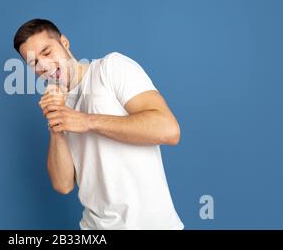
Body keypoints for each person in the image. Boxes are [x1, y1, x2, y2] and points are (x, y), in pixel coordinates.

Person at [13, 18, 184, 230]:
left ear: (64, 42)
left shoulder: (110, 68)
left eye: (47, 52)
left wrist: (86, 121)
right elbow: (63, 185)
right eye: (33, 63)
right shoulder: (60, 105)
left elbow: (169, 130)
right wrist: (56, 122)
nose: (43, 66)